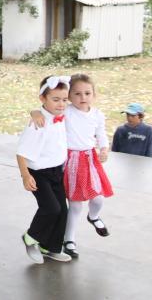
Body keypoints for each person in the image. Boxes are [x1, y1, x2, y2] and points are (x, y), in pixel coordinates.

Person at [31, 73, 113, 259]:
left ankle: (93, 216)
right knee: (75, 205)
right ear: (69, 96)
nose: (83, 98)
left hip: (90, 160)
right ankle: (69, 240)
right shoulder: (66, 111)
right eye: (77, 94)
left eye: (87, 93)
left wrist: (104, 149)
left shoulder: (97, 115)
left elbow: (101, 134)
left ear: (94, 94)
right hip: (71, 161)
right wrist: (34, 112)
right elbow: (45, 110)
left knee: (98, 198)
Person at [17, 75, 72, 264]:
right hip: (38, 173)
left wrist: (35, 110)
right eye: (55, 99)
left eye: (64, 99)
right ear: (43, 98)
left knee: (62, 211)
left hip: (57, 171)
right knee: (51, 208)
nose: (61, 104)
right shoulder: (37, 123)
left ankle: (50, 247)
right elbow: (21, 153)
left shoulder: (61, 115)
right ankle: (30, 237)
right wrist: (25, 176)